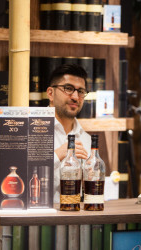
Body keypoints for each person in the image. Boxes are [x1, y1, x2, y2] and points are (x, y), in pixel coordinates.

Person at [47, 64, 92, 203]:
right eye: (68, 88)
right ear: (51, 93)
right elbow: (20, 176)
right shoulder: (32, 130)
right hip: (38, 219)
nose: (75, 97)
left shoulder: (86, 139)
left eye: (81, 91)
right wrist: (57, 155)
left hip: (75, 219)